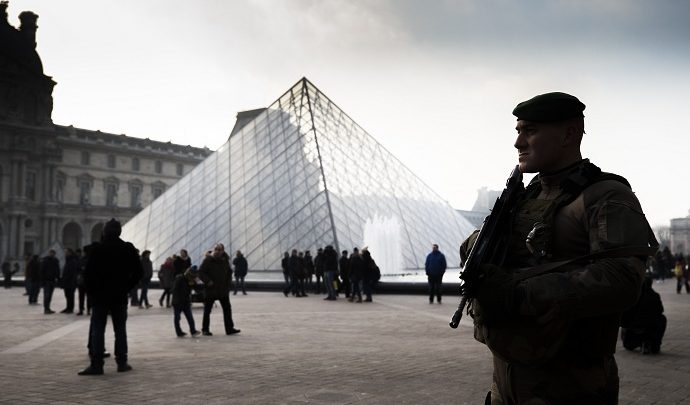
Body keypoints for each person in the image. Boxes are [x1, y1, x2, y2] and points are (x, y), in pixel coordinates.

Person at [460, 92, 658, 404]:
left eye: (530, 130)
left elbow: (621, 279)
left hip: (572, 386)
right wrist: (479, 247)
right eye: (518, 131)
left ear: (568, 133)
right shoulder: (524, 195)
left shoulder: (606, 196)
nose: (518, 143)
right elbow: (476, 248)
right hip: (507, 382)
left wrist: (519, 293)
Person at [78, 218, 143, 375]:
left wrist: (92, 292)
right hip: (119, 296)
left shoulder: (97, 249)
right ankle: (122, 363)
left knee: (98, 331)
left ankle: (97, 365)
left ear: (104, 232)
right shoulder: (127, 248)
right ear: (120, 232)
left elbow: (87, 275)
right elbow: (138, 272)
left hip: (100, 297)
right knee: (120, 330)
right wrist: (127, 287)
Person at [198, 243, 240, 336]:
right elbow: (200, 272)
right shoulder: (208, 260)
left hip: (222, 290)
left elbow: (229, 272)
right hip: (211, 289)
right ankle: (205, 329)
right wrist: (208, 281)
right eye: (216, 249)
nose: (217, 251)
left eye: (219, 249)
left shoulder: (225, 260)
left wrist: (228, 283)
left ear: (223, 250)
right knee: (207, 310)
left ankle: (229, 329)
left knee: (227, 309)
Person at [620, 277, 666, 354]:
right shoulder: (654, 295)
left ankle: (632, 340)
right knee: (662, 319)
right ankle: (653, 343)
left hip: (635, 329)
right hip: (650, 328)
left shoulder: (634, 295)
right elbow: (660, 310)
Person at [171, 265, 201, 337]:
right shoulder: (179, 278)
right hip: (178, 301)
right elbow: (174, 290)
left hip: (186, 301)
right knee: (177, 317)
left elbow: (198, 289)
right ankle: (179, 332)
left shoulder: (191, 280)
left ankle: (193, 330)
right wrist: (176, 300)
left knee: (190, 317)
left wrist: (197, 281)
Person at [40, 249, 60, 314]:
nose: (52, 254)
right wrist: (43, 280)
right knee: (47, 295)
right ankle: (46, 308)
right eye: (51, 253)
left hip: (52, 280)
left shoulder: (55, 261)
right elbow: (42, 271)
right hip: (47, 280)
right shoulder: (45, 261)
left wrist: (58, 278)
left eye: (53, 253)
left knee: (50, 295)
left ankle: (48, 308)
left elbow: (57, 270)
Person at [60, 248, 80, 313]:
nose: (65, 253)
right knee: (67, 295)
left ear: (70, 253)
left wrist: (71, 280)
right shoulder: (68, 260)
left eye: (66, 252)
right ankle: (68, 307)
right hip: (67, 281)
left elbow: (73, 272)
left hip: (70, 281)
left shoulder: (73, 261)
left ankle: (70, 308)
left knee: (70, 295)